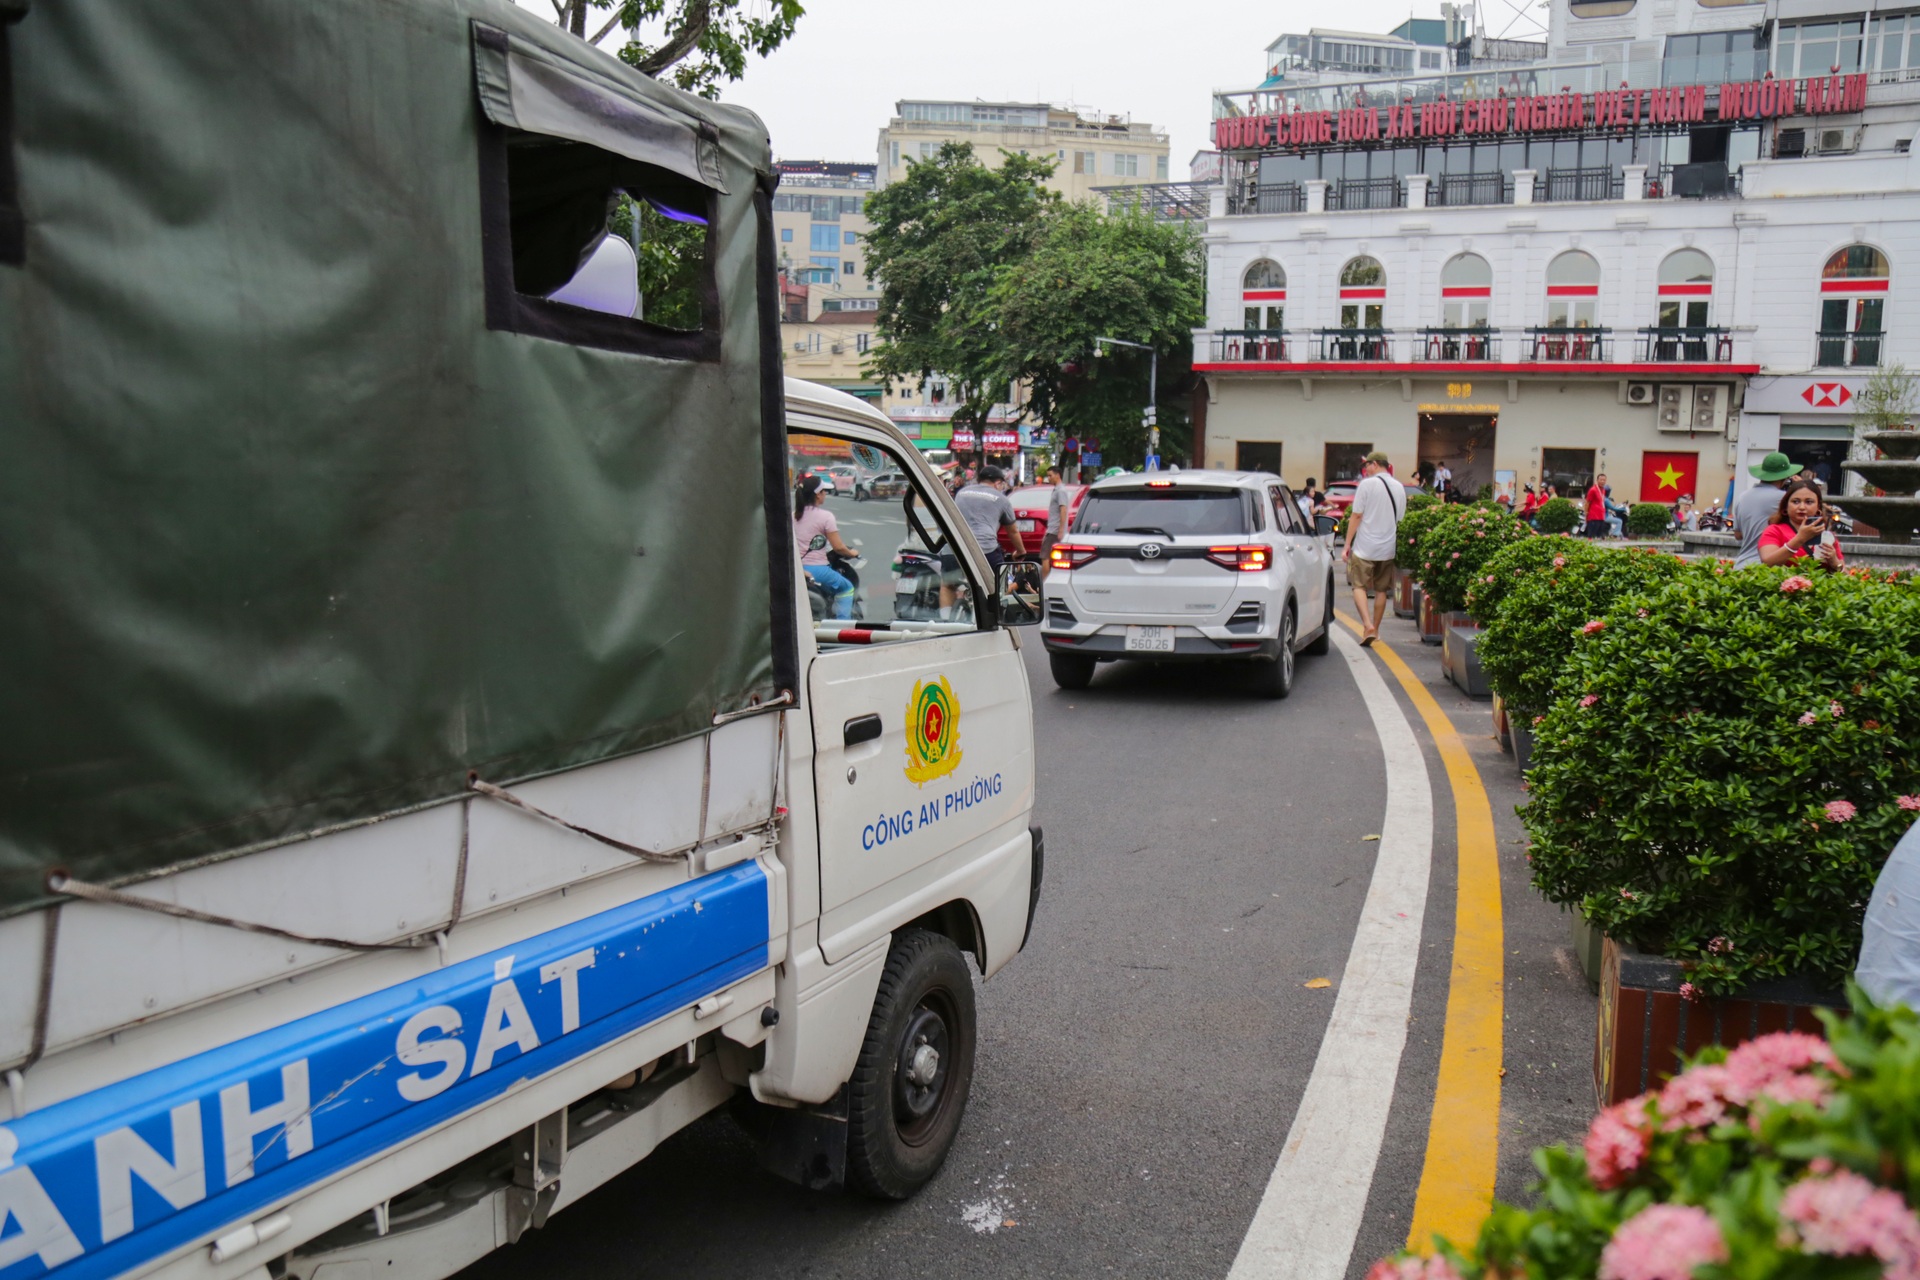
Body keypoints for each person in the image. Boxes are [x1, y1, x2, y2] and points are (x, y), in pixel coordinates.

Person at [1342, 450, 1404, 648]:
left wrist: (1347, 544)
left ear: (1375, 464)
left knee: (1359, 586)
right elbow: (1400, 518)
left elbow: (1356, 515)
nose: (1365, 469)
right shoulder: (1399, 487)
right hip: (1387, 547)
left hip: (1365, 547)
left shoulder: (1367, 485)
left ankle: (1367, 625)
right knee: (1381, 590)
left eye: (1367, 465)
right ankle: (1375, 630)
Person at [793, 474, 857, 619]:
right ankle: (842, 627)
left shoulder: (793, 516)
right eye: (824, 491)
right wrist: (852, 553)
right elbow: (838, 547)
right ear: (818, 494)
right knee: (846, 588)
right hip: (817, 570)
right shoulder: (826, 517)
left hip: (796, 569)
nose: (825, 494)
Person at [1756, 478, 1845, 571]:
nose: (1802, 507)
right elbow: (1768, 563)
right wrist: (1800, 539)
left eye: (1809, 502)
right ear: (1786, 506)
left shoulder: (1827, 536)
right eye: (1796, 502)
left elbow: (1846, 576)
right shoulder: (1774, 531)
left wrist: (1835, 563)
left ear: (1818, 507)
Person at [1732, 451, 1800, 568]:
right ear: (1785, 478)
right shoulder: (1785, 499)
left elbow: (1738, 535)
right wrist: (1801, 488)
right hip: (1768, 567)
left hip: (1742, 564)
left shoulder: (1742, 497)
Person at [1042, 466, 1068, 575]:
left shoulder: (1060, 491)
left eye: (1050, 475)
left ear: (1057, 475)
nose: (1048, 478)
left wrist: (1061, 530)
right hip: (1052, 529)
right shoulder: (1057, 490)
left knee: (1045, 557)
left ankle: (1045, 582)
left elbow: (1063, 510)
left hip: (1055, 530)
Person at [1584, 473, 1610, 538]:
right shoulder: (1593, 490)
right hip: (1593, 517)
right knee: (1592, 536)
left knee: (1599, 537)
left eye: (1604, 480)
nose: (1602, 481)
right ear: (1597, 480)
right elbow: (1587, 502)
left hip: (1601, 516)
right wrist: (1586, 513)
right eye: (1601, 480)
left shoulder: (1603, 490)